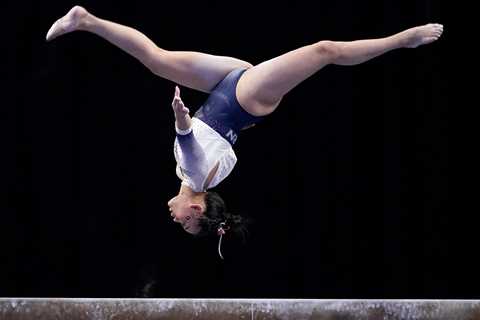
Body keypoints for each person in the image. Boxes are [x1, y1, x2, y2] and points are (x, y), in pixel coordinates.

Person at [46, 6, 443, 257]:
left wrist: (187, 120)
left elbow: (192, 147)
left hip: (225, 88)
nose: (175, 219)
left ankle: (86, 20)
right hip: (244, 99)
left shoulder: (187, 176)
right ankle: (401, 40)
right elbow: (188, 143)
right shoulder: (196, 175)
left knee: (156, 59)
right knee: (325, 51)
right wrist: (181, 118)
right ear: (197, 210)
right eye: (185, 223)